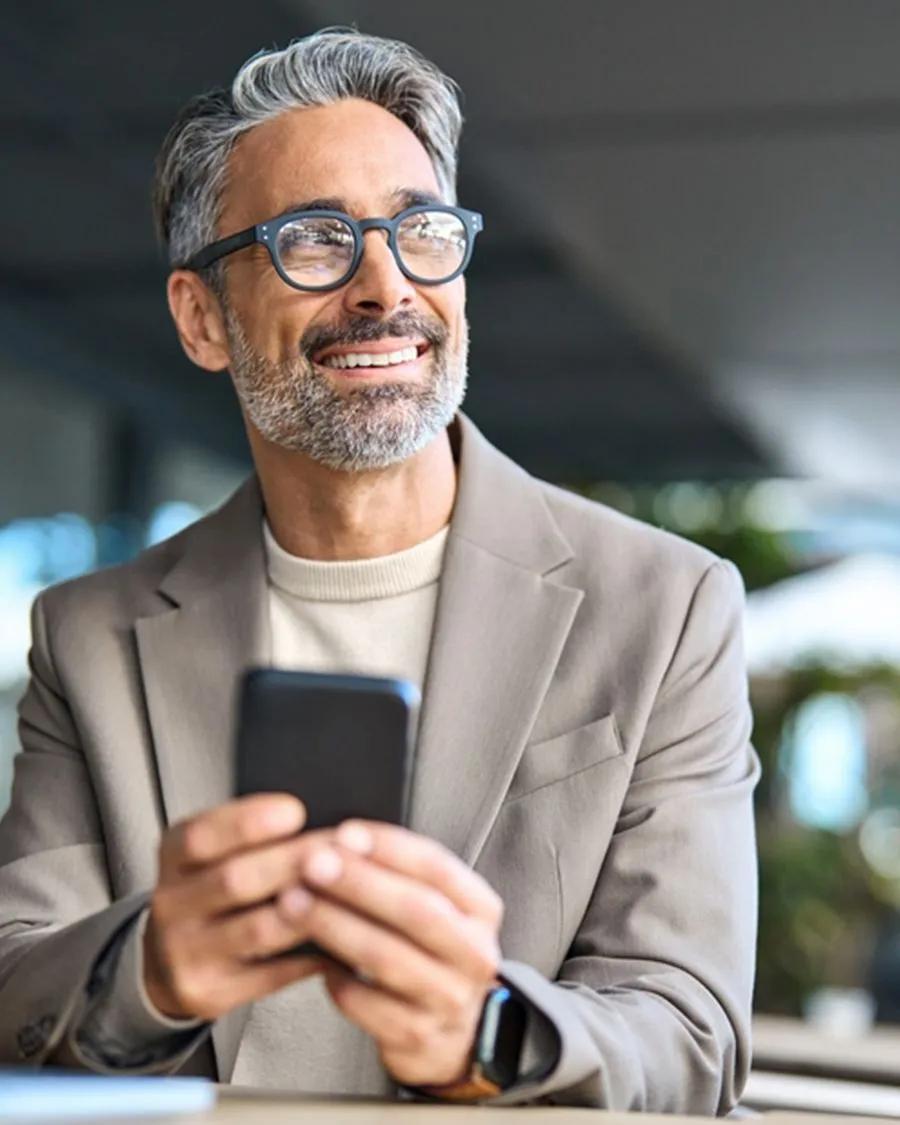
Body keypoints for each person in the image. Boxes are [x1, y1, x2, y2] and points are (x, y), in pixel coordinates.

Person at [0, 28, 759, 1113]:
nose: (382, 284)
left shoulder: (667, 609)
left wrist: (485, 1030)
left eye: (421, 230)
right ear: (201, 317)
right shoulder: (88, 637)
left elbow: (690, 1037)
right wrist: (155, 969)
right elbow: (12, 984)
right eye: (315, 239)